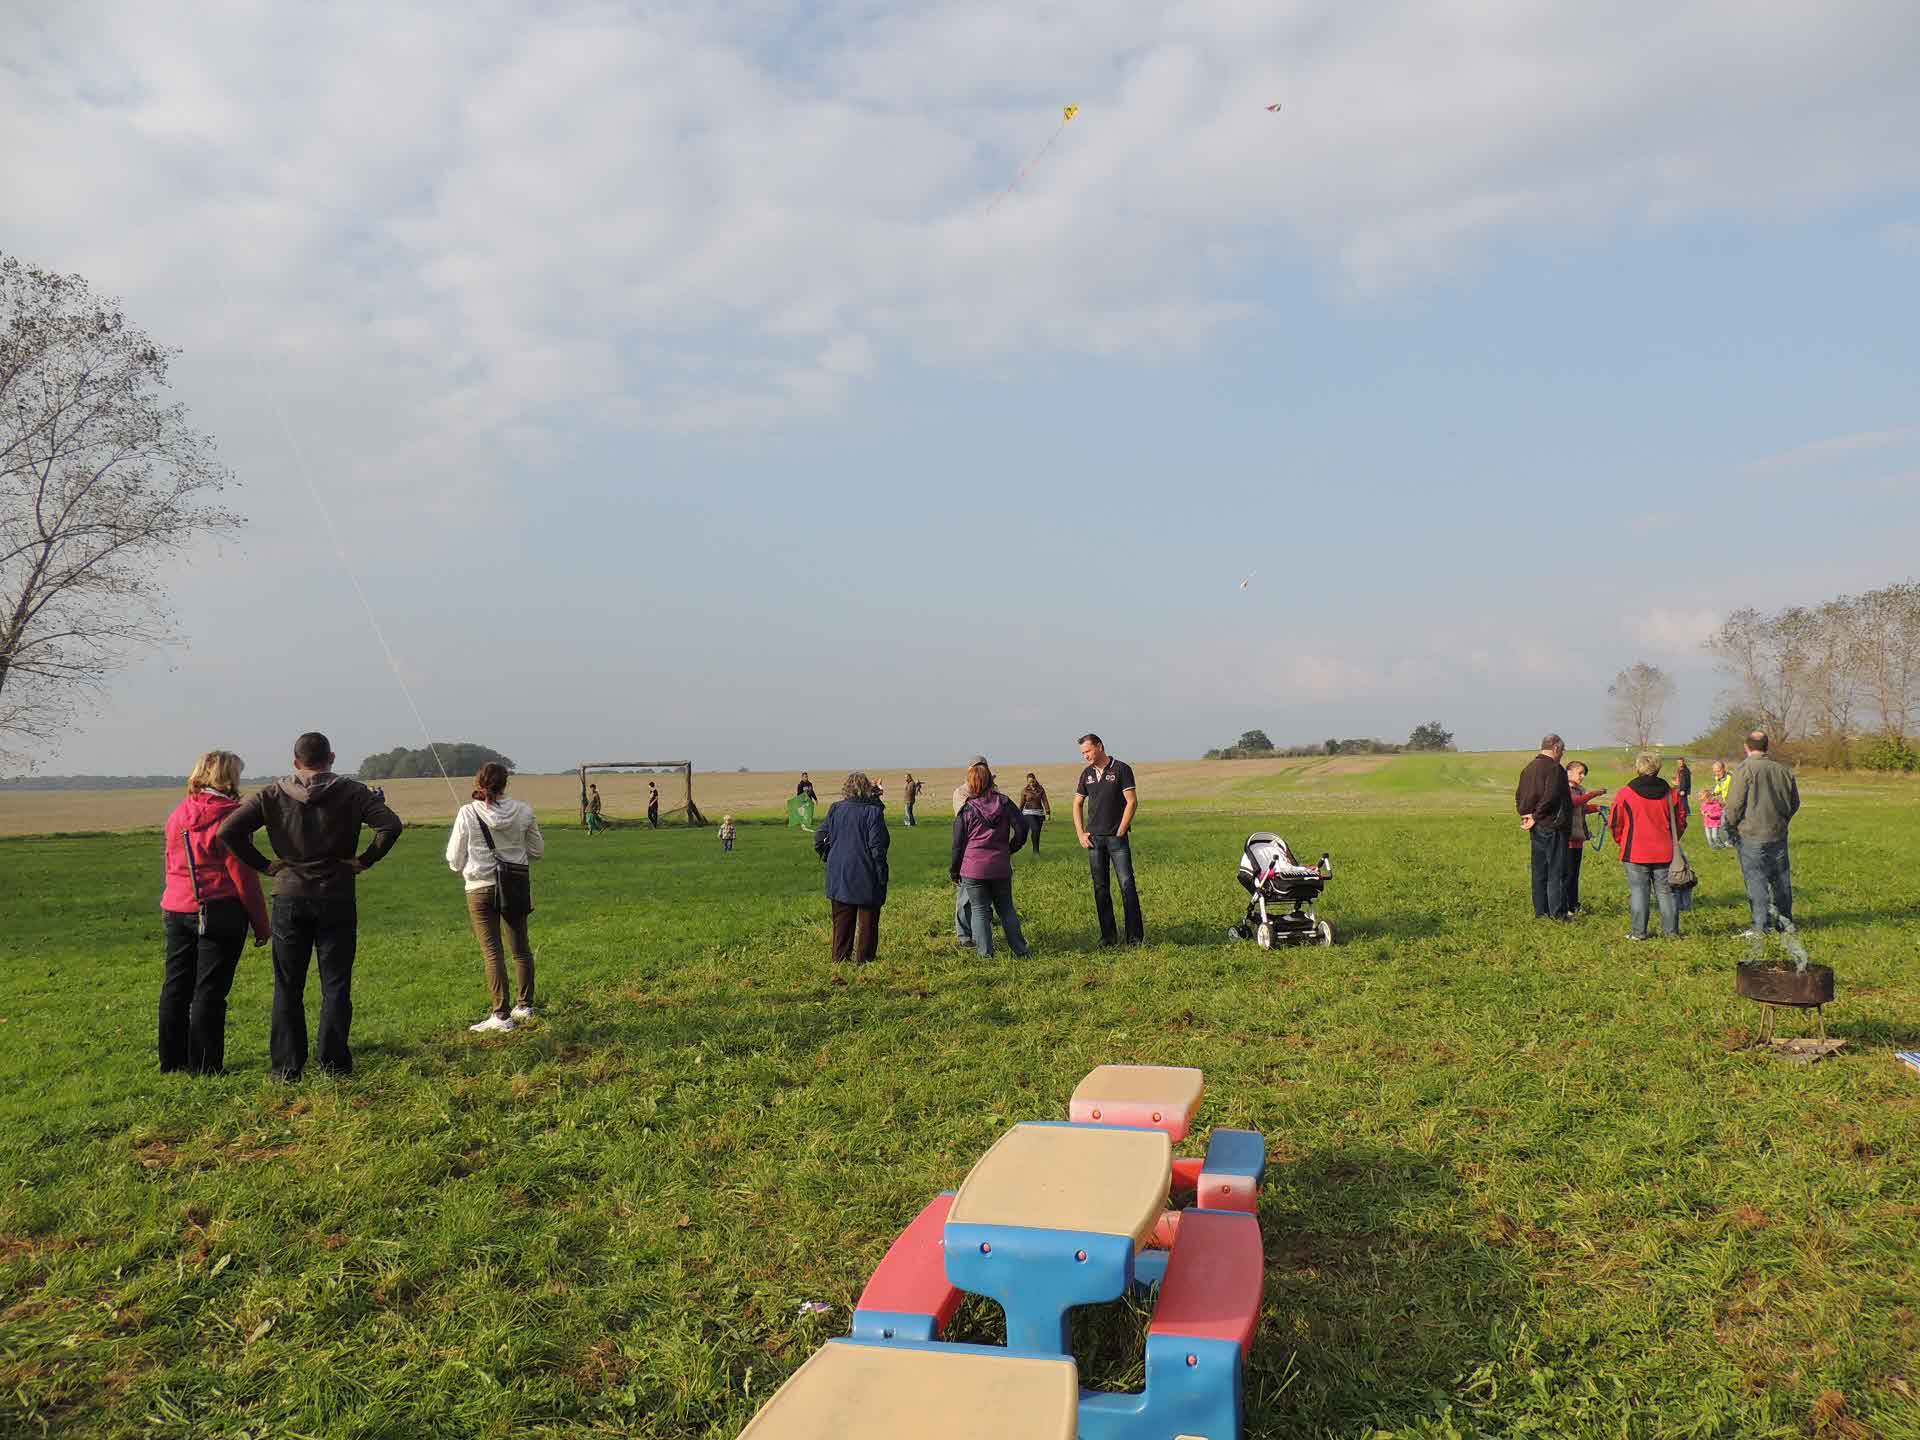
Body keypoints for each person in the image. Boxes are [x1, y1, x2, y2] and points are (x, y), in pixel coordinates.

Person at [219, 731, 404, 1080]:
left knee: (288, 985)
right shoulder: (353, 791)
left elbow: (228, 831)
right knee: (336, 983)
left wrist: (264, 865)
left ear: (295, 762)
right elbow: (390, 825)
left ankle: (287, 1067)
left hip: (289, 894)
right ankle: (334, 1063)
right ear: (331, 758)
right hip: (337, 894)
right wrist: (365, 860)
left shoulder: (271, 794)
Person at [158, 751, 270, 1074]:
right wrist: (261, 924)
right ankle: (206, 1066)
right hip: (219, 910)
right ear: (229, 777)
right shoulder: (233, 818)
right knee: (209, 991)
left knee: (176, 987)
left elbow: (170, 861)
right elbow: (243, 876)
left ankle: (172, 1061)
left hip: (177, 906)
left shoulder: (179, 812)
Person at [446, 762, 545, 1033]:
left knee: (493, 952)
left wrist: (466, 866)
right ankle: (524, 1006)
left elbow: (454, 859)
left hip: (479, 887)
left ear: (478, 783)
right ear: (505, 784)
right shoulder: (524, 811)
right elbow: (537, 850)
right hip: (515, 885)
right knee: (521, 948)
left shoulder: (467, 812)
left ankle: (501, 1016)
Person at [1723, 730, 1805, 961]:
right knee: (1781, 879)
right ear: (1767, 746)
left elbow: (1734, 805)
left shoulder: (1744, 769)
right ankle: (1785, 923)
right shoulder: (1783, 770)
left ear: (1747, 747)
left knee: (1756, 880)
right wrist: (1783, 820)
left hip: (1751, 834)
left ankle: (1761, 925)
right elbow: (1794, 802)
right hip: (1778, 833)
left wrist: (1730, 826)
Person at [950, 760, 1032, 957]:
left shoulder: (966, 809)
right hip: (1000, 865)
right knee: (1006, 910)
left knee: (979, 910)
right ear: (990, 780)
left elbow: (957, 844)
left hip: (973, 868)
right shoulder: (1004, 802)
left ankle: (985, 954)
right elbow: (1022, 827)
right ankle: (1021, 951)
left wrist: (954, 870)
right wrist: (1011, 848)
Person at [1608, 752, 1688, 939]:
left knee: (1639, 891)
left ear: (1637, 768)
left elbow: (1615, 822)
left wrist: (1621, 840)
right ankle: (1671, 932)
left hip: (1634, 851)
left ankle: (1638, 932)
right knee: (1666, 892)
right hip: (1665, 850)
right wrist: (1673, 840)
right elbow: (1681, 821)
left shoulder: (1625, 794)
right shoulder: (1671, 794)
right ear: (1658, 768)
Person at [1073, 733, 1143, 945]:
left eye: (1088, 751)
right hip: (1094, 841)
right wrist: (1081, 833)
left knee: (1127, 884)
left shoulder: (1121, 769)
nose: (1085, 756)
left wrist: (1121, 829)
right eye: (1083, 753)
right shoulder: (1086, 774)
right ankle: (1108, 936)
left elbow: (1132, 801)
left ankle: (1134, 937)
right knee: (1100, 888)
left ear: (1100, 746)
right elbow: (1077, 804)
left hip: (1117, 840)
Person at [813, 772, 889, 963]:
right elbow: (878, 847)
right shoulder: (873, 812)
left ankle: (840, 959)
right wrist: (882, 876)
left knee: (842, 922)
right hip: (866, 873)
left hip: (839, 873)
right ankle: (864, 961)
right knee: (868, 923)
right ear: (867, 790)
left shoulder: (836, 809)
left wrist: (829, 856)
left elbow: (819, 837)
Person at [1514, 734, 1573, 922]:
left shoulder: (1529, 768)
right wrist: (1536, 815)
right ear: (1556, 748)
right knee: (1556, 871)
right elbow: (1551, 796)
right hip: (1553, 825)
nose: (1562, 754)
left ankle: (1541, 912)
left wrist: (1526, 814)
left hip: (1536, 826)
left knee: (1539, 871)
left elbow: (1519, 795)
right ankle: (1558, 914)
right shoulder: (1555, 769)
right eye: (1562, 750)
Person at [1564, 760, 1609, 915]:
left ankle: (1574, 905)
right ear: (1569, 772)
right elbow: (1574, 803)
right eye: (1580, 773)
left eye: (1584, 774)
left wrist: (1597, 808)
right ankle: (1566, 906)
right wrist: (1594, 794)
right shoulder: (1564, 789)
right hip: (1567, 840)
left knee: (1574, 875)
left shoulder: (1579, 790)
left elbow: (1582, 808)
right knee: (1568, 875)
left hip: (1578, 839)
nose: (1582, 776)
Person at [1702, 760, 1732, 848]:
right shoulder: (1718, 778)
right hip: (1725, 804)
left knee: (1726, 822)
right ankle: (1729, 840)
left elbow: (1737, 790)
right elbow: (1719, 786)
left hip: (1732, 803)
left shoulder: (1730, 778)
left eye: (1718, 771)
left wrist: (1730, 801)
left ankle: (1731, 840)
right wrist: (1713, 793)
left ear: (1724, 769)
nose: (1717, 773)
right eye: (1715, 771)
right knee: (1724, 823)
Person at [1019, 773, 1051, 855]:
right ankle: (1036, 852)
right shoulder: (1025, 790)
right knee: (1035, 828)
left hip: (1039, 814)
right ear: (1027, 782)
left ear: (1035, 780)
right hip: (1028, 813)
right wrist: (1018, 814)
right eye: (1029, 782)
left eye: (1032, 781)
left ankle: (1036, 851)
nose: (1031, 783)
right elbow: (1022, 803)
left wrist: (1047, 812)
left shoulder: (1040, 789)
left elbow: (1045, 800)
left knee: (1037, 832)